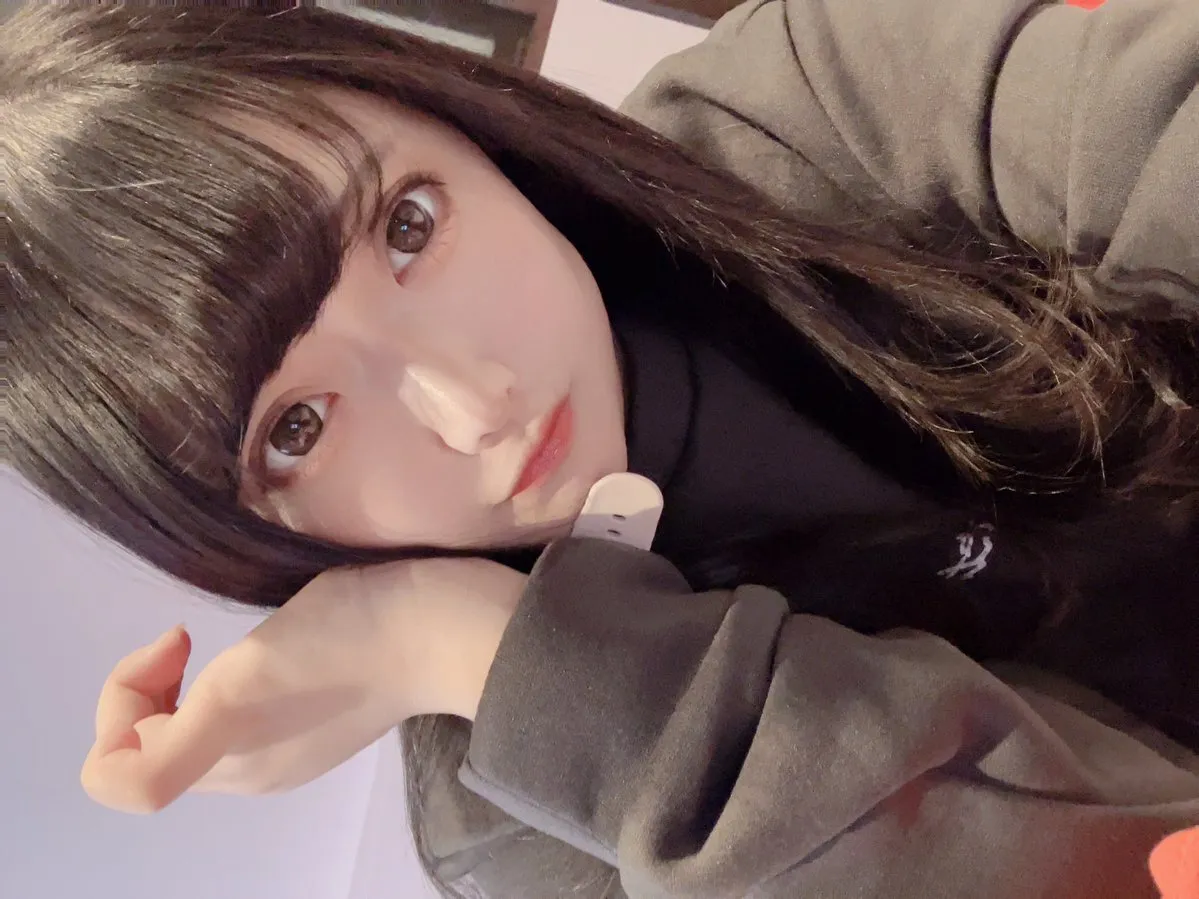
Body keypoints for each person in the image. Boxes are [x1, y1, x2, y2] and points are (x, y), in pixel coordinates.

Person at [4, 1, 1198, 897]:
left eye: (408, 225)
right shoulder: (527, 815)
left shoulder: (803, 100)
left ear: (452, 117)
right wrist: (455, 642)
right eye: (296, 428)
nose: (475, 403)